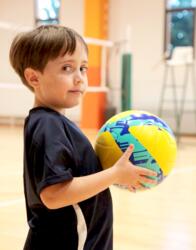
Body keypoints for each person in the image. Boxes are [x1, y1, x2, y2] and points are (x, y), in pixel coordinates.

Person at [9, 25, 157, 250]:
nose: (79, 78)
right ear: (33, 77)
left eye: (83, 68)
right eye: (67, 68)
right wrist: (114, 174)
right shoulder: (48, 125)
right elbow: (54, 195)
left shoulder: (54, 122)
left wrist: (113, 173)